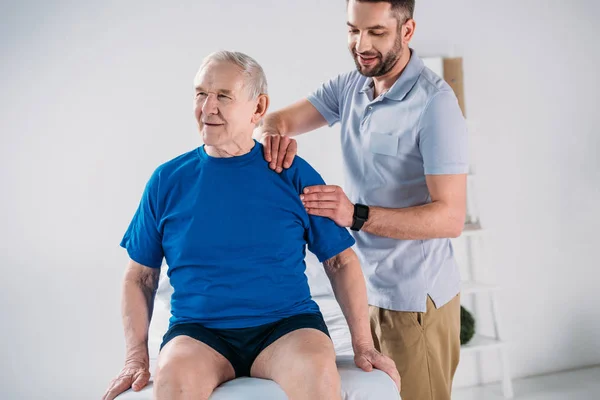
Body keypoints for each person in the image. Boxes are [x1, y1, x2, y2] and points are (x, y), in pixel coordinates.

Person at [102, 50, 399, 400]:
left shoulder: (293, 174)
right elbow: (140, 276)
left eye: (223, 96)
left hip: (286, 326)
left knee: (318, 376)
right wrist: (136, 357)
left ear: (258, 109)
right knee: (173, 380)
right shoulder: (167, 181)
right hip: (199, 331)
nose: (207, 107)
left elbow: (339, 261)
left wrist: (363, 345)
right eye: (200, 94)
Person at [256, 1, 469, 399]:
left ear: (406, 32)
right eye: (353, 30)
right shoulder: (351, 86)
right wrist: (273, 137)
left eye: (376, 32)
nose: (360, 44)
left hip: (412, 302)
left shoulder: (435, 105)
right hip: (364, 293)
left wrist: (354, 214)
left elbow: (449, 218)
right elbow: (277, 120)